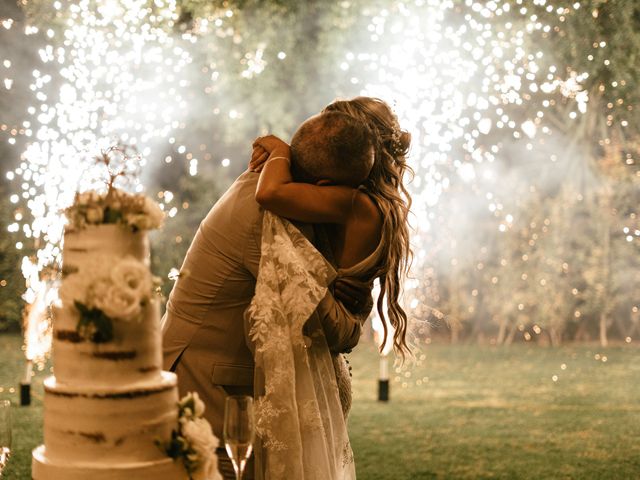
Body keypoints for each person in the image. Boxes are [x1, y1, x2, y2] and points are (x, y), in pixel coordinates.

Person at [161, 110, 376, 480]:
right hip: (201, 389)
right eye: (347, 195)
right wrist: (359, 306)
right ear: (323, 185)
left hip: (218, 379)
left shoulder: (272, 184)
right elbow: (336, 331)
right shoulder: (268, 217)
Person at [251, 96, 413, 361]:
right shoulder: (376, 204)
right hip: (326, 339)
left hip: (322, 338)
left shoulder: (352, 202)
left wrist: (278, 149)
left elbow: (271, 192)